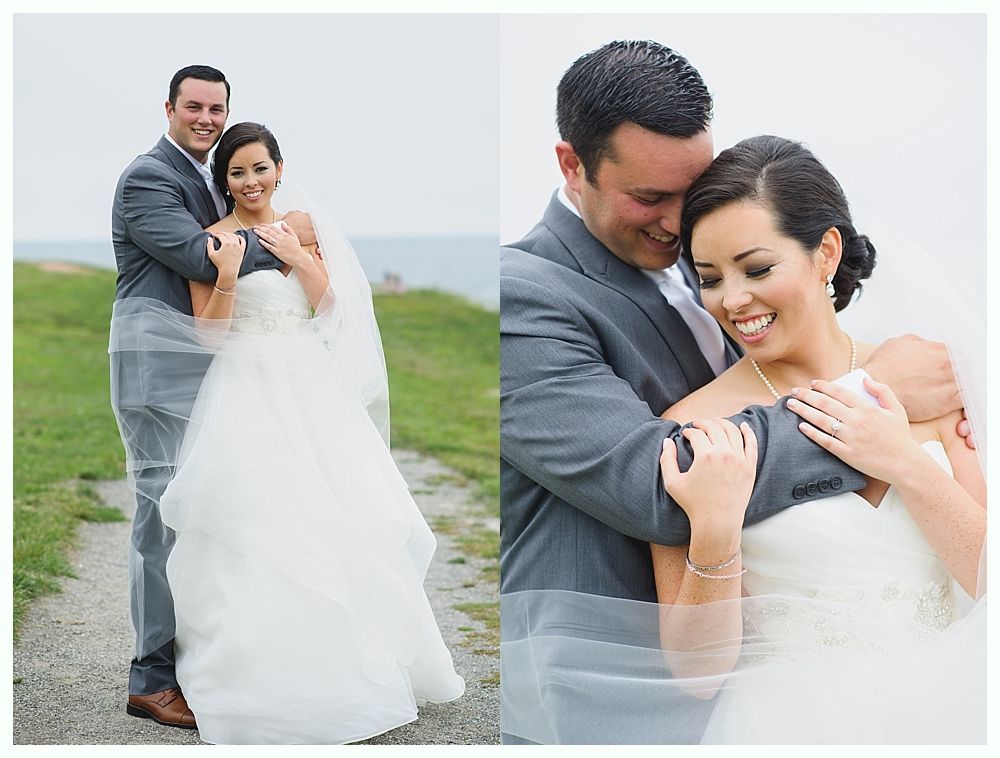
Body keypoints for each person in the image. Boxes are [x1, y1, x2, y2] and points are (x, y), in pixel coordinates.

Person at [499, 40, 972, 744]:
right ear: (574, 165)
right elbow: (654, 484)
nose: (675, 223)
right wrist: (865, 395)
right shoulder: (520, 294)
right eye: (650, 198)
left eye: (690, 195)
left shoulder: (705, 264)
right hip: (611, 690)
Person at [130, 122, 465, 744]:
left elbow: (334, 307)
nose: (250, 181)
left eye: (260, 168)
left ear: (279, 169)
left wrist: (298, 259)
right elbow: (209, 334)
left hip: (309, 386)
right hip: (244, 387)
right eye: (236, 172)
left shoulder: (305, 225)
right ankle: (256, 675)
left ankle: (344, 666)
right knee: (255, 526)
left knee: (335, 518)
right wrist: (228, 274)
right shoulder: (212, 240)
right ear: (222, 181)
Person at [650, 135, 984, 743]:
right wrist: (717, 530)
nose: (734, 299)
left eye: (757, 269)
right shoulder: (692, 429)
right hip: (786, 727)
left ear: (826, 252)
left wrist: (906, 464)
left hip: (951, 712)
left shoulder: (933, 381)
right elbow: (696, 673)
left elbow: (987, 581)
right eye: (710, 278)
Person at [110, 65, 315, 728]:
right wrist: (289, 239)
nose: (206, 118)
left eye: (216, 108)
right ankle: (151, 677)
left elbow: (221, 240)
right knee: (161, 514)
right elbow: (202, 257)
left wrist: (257, 234)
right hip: (155, 366)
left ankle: (202, 659)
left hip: (201, 365)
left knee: (206, 513)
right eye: (193, 106)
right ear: (168, 107)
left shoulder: (202, 176)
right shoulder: (148, 176)